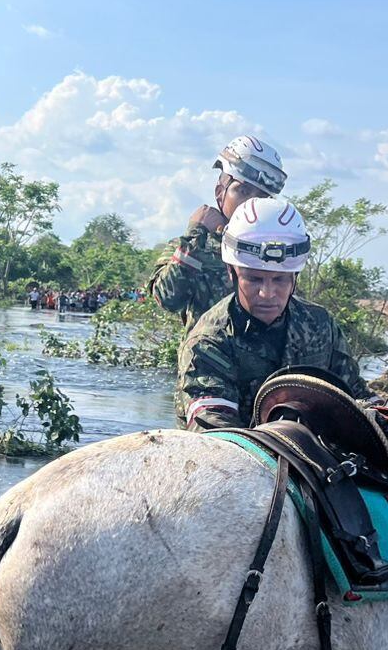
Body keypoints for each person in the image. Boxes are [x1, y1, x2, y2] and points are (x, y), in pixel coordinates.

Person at [175, 198, 365, 431]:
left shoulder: (320, 324)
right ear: (231, 273)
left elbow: (355, 395)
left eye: (279, 279)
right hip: (237, 451)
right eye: (254, 279)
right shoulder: (208, 342)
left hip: (310, 451)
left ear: (294, 277)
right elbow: (215, 431)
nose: (267, 293)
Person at [148, 134, 287, 330]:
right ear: (220, 193)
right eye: (243, 191)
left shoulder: (276, 249)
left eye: (262, 197)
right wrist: (195, 237)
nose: (250, 202)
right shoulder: (194, 244)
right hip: (208, 348)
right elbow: (167, 299)